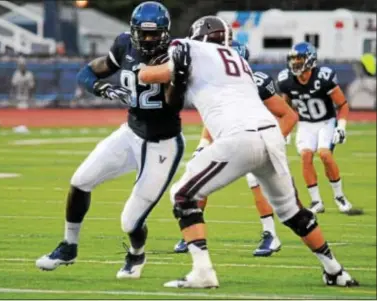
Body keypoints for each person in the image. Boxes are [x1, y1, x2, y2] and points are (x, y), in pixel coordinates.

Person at [138, 15, 359, 288]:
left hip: (239, 137)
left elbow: (151, 74)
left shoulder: (193, 49)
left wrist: (144, 68)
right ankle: (335, 270)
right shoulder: (239, 61)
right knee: (292, 211)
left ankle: (203, 272)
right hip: (270, 135)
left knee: (182, 195)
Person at [36, 1, 185, 280]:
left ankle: (137, 255)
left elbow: (173, 103)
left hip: (162, 143)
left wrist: (172, 76)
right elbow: (87, 73)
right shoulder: (124, 45)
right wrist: (101, 87)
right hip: (130, 133)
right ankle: (69, 246)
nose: (150, 39)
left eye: (155, 34)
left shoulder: (176, 54)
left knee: (130, 220)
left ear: (165, 33)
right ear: (134, 31)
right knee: (80, 181)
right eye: (145, 33)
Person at [173, 41, 286, 257]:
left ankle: (271, 234)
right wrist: (203, 145)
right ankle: (191, 232)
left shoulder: (257, 82)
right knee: (200, 179)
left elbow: (288, 115)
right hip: (231, 138)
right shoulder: (218, 87)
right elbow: (212, 120)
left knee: (262, 186)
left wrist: (274, 140)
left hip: (257, 138)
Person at [277, 42, 363, 215]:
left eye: (299, 59)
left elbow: (343, 105)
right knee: (306, 156)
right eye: (293, 59)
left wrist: (341, 127)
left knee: (324, 154)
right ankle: (316, 202)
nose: (295, 63)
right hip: (305, 124)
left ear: (310, 60)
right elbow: (285, 107)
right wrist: (284, 129)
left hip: (326, 122)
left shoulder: (323, 77)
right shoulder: (286, 80)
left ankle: (339, 197)